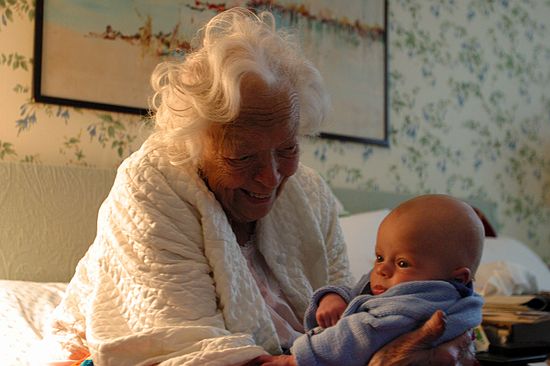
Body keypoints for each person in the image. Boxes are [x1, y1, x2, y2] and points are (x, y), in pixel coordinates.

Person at [44, 8, 479, 366]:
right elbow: (185, 349)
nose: (271, 177)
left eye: (286, 149)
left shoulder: (309, 192)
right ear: (195, 145)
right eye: (241, 157)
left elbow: (355, 310)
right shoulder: (151, 186)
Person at [254, 194, 485, 366]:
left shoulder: (412, 307)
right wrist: (333, 297)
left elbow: (358, 335)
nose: (382, 269)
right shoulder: (425, 290)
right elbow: (359, 291)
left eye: (403, 263)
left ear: (457, 277)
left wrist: (295, 359)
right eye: (379, 256)